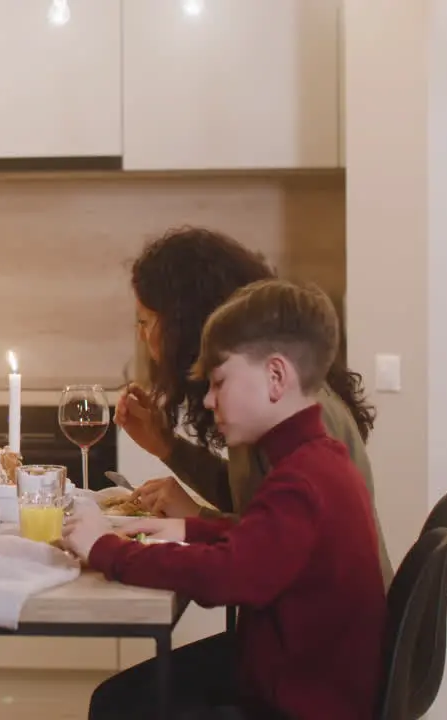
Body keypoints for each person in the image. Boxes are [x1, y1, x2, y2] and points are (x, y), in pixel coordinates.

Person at [65, 280, 388, 720]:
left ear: (276, 377)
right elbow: (266, 541)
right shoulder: (316, 458)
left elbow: (228, 576)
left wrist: (107, 549)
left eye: (219, 383)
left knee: (117, 704)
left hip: (301, 699)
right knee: (123, 697)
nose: (210, 401)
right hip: (300, 671)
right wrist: (187, 528)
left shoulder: (302, 479)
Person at [117, 227, 393, 585]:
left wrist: (193, 518)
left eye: (146, 322)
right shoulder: (279, 405)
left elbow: (265, 547)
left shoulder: (302, 421)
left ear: (184, 325)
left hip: (316, 633)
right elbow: (257, 500)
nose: (142, 336)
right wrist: (167, 447)